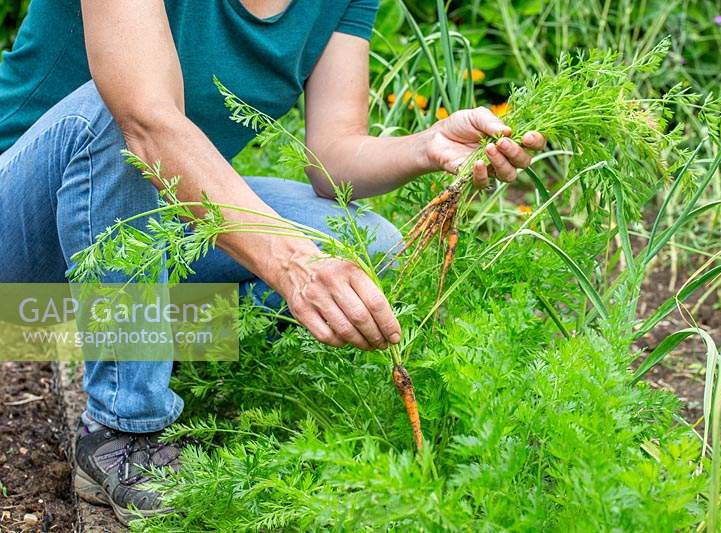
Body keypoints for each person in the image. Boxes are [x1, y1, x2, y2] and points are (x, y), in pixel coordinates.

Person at [0, 0, 545, 524]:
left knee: (368, 244)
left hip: (99, 270)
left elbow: (333, 156)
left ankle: (139, 342)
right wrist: (291, 264)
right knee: (125, 111)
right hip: (17, 261)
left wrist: (427, 145)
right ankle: (126, 428)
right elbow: (148, 124)